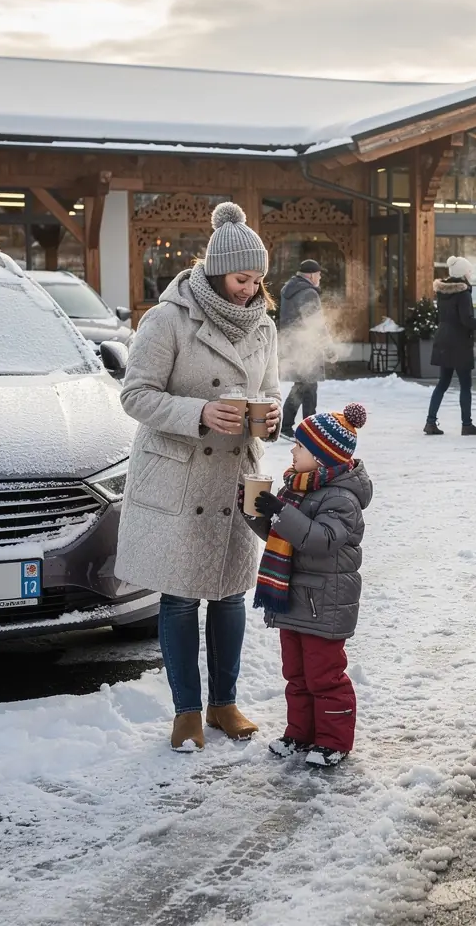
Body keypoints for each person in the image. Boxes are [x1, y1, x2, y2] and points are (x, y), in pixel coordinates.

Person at [116, 201, 281, 752]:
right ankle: (186, 711)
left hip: (236, 476)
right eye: (241, 279)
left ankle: (224, 704)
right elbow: (135, 395)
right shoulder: (168, 319)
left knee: (230, 594)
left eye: (257, 280)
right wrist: (200, 413)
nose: (250, 290)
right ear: (216, 272)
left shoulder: (264, 326)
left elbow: (271, 389)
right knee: (182, 597)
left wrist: (272, 415)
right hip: (180, 478)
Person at [244, 404, 373, 767]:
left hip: (323, 603)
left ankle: (333, 741)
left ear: (321, 456)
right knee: (296, 675)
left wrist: (280, 513)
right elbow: (283, 535)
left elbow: (320, 539)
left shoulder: (341, 499)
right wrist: (255, 513)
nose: (292, 450)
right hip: (293, 598)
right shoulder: (298, 488)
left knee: (324, 677)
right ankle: (299, 734)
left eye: (299, 446)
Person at [423, 255, 476, 436]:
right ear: (463, 273)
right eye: (469, 271)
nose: (470, 274)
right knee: (465, 385)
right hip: (458, 343)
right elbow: (467, 320)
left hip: (443, 340)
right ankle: (467, 425)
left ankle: (430, 422)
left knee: (443, 383)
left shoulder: (443, 292)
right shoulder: (463, 293)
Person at [280, 259, 331, 438]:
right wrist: (328, 347)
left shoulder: (290, 289)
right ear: (311, 275)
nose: (320, 278)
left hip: (293, 345)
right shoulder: (308, 292)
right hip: (307, 346)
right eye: (318, 274)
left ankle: (286, 426)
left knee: (302, 387)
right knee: (309, 388)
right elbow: (316, 324)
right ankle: (310, 431)